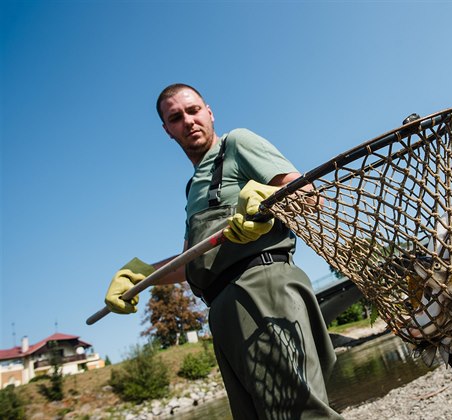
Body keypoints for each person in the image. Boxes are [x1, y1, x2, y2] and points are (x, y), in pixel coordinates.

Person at [103, 83, 342, 419]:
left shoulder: (237, 144)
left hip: (261, 291)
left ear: (209, 112)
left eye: (193, 110)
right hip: (224, 313)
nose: (187, 121)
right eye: (175, 117)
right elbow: (193, 259)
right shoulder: (193, 188)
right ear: (167, 130)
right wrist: (141, 275)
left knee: (299, 415)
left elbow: (309, 197)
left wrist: (268, 201)